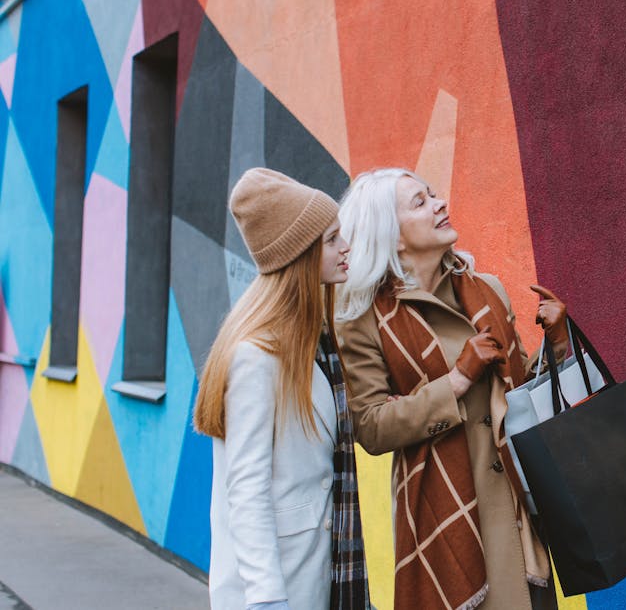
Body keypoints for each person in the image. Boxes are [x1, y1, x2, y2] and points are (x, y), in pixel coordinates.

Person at [334, 168, 569, 610]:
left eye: (434, 195)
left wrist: (557, 346)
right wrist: (457, 379)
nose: (440, 204)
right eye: (420, 203)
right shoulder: (364, 319)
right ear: (394, 235)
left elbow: (518, 397)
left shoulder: (487, 291)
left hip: (518, 513)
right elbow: (370, 426)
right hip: (445, 519)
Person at [194, 167, 370, 610]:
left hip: (314, 571)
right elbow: (246, 487)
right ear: (301, 256)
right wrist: (266, 599)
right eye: (332, 240)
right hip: (277, 588)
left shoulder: (315, 344)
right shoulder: (256, 355)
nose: (346, 248)